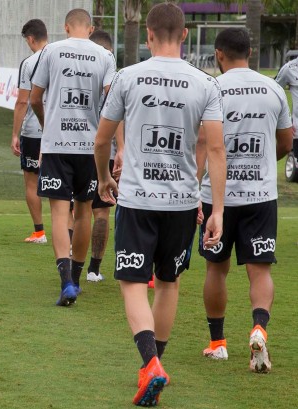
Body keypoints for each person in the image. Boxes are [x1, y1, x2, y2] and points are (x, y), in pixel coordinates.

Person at [94, 3, 225, 406]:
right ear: (184, 36)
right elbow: (215, 148)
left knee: (133, 283)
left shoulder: (127, 77)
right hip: (184, 203)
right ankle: (153, 369)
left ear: (148, 34)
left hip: (137, 198)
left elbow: (102, 140)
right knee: (168, 284)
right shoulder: (206, 83)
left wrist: (103, 178)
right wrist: (216, 208)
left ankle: (150, 364)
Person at [198, 28, 293, 373]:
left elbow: (202, 144)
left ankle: (218, 343)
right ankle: (258, 327)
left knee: (216, 268)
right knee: (260, 269)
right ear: (250, 52)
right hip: (261, 195)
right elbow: (286, 141)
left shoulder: (211, 88)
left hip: (217, 196)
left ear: (219, 54)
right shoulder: (273, 89)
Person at [30, 9, 116, 306]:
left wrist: (46, 125)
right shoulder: (104, 55)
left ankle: (65, 281)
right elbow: (112, 99)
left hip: (57, 143)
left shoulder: (51, 51)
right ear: (90, 29)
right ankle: (77, 279)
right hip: (90, 147)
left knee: (58, 213)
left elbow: (33, 97)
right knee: (83, 213)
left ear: (66, 27)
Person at [86, 29, 124, 282]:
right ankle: (93, 269)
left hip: (73, 148)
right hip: (105, 152)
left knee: (74, 210)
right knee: (102, 211)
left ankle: (69, 262)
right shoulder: (117, 78)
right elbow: (117, 115)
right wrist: (121, 147)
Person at [11, 19, 48, 244]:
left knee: (32, 183)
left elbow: (22, 101)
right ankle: (71, 236)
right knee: (66, 184)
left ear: (31, 39)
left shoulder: (30, 62)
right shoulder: (61, 56)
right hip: (61, 132)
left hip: (34, 132)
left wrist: (15, 134)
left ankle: (39, 232)